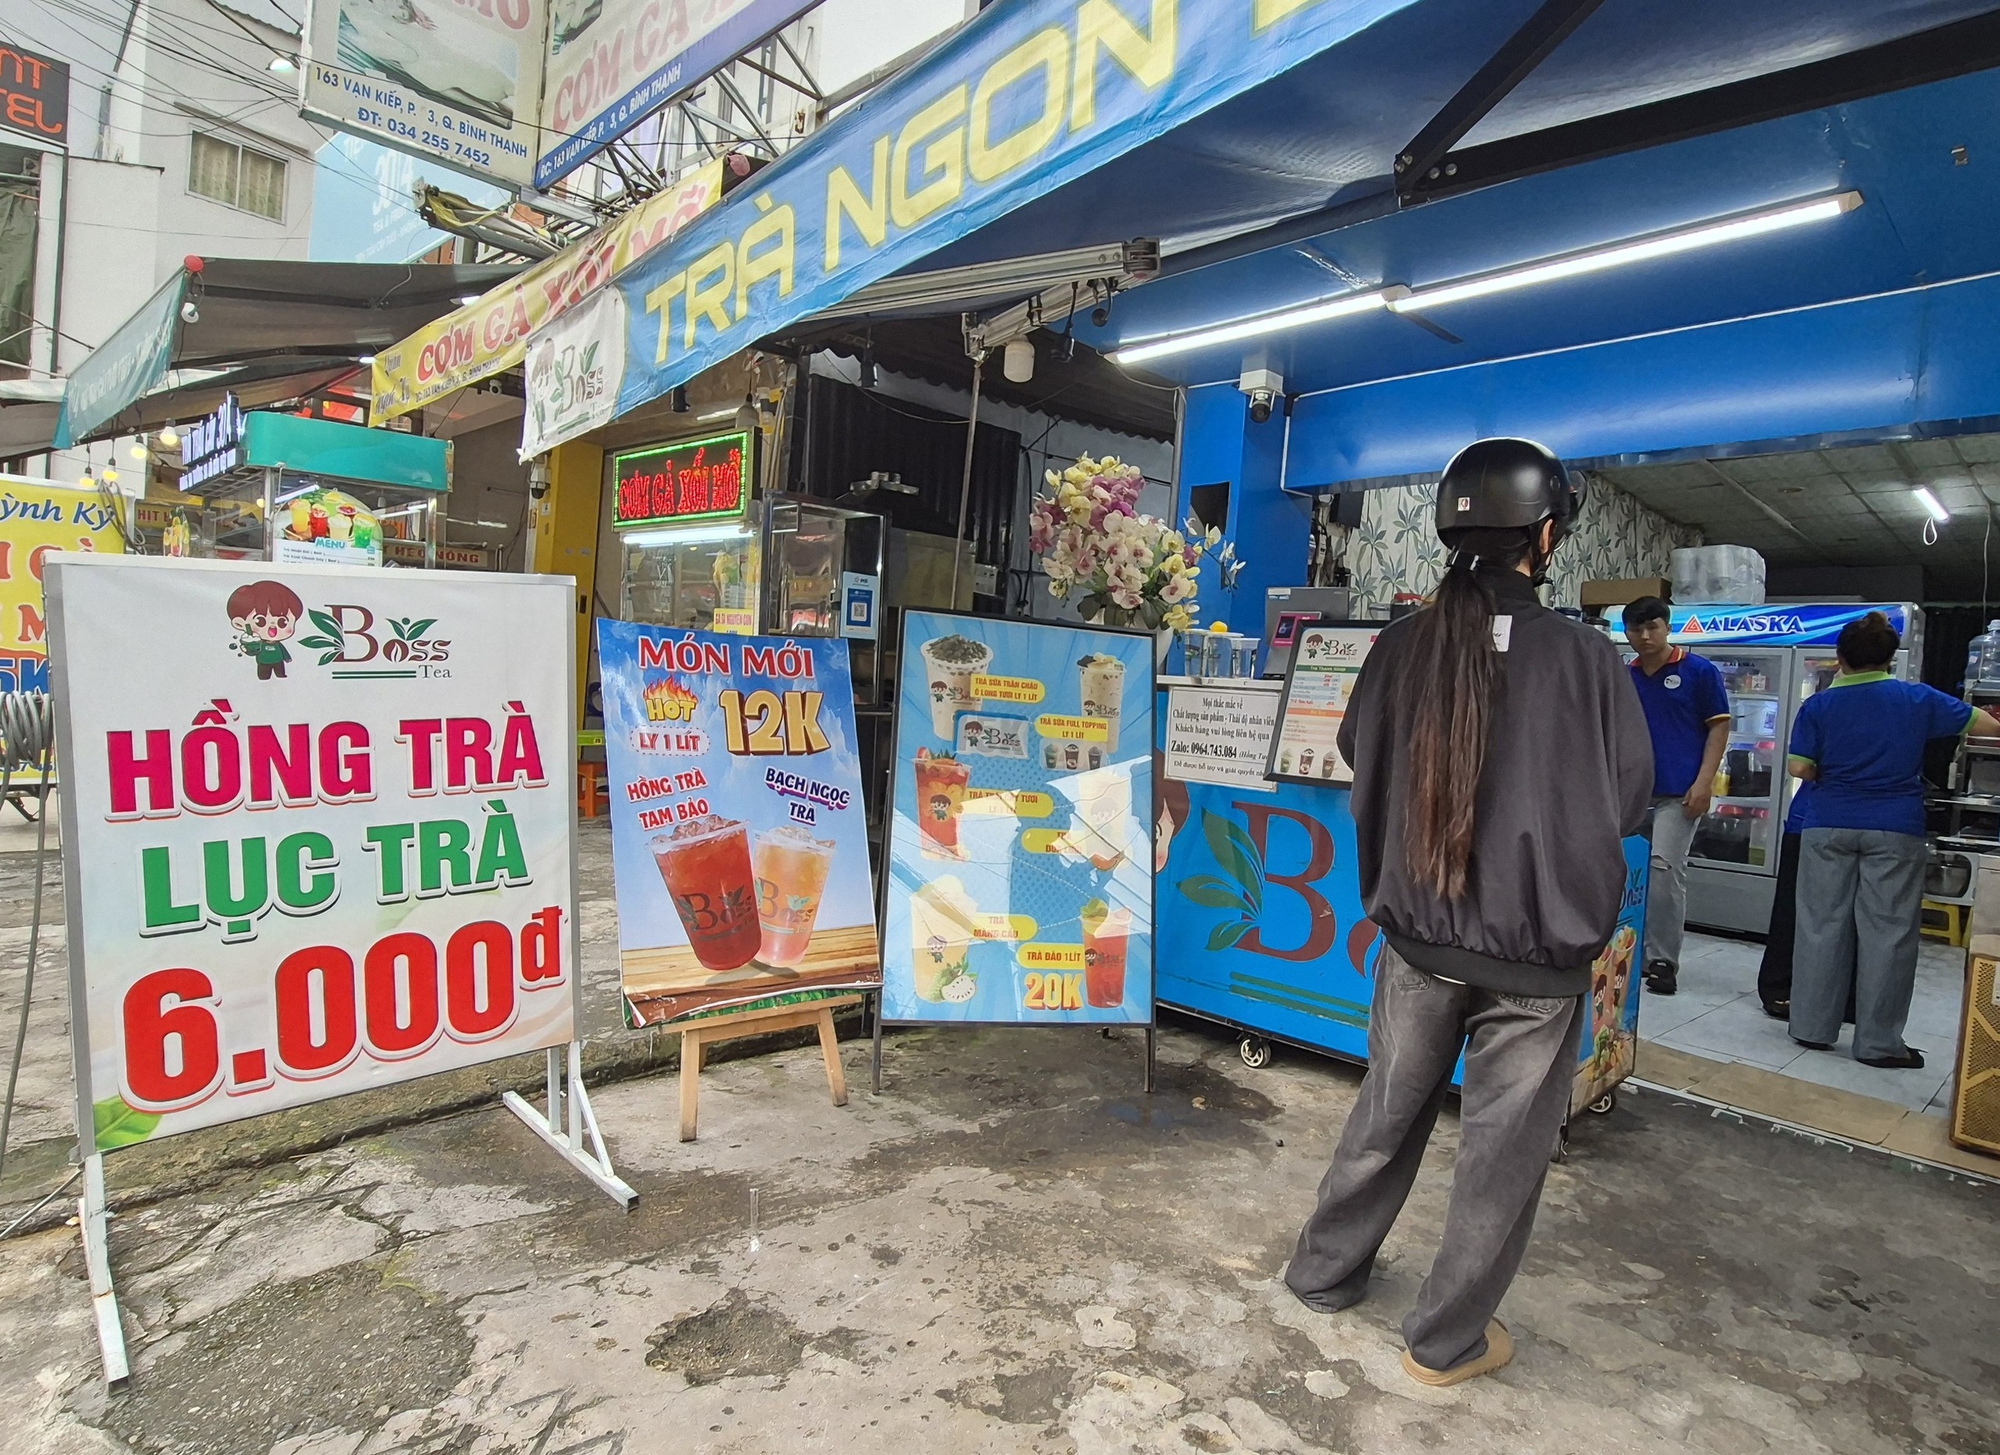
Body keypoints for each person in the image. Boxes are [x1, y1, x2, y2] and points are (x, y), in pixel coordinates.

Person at [1285, 438, 1653, 1387]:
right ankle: (1444, 1343)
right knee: (1499, 1157)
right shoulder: (1585, 656)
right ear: (1547, 534)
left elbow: (1359, 750)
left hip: (1418, 942)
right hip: (1535, 962)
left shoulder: (1402, 643)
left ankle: (1324, 1273)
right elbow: (1625, 802)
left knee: (1384, 1114)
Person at [1787, 612, 2000, 1066]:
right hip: (1895, 825)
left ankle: (1811, 1027)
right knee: (1888, 934)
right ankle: (1879, 1044)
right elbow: (1986, 724)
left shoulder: (1818, 706)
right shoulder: (1916, 699)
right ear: (1889, 659)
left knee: (1821, 927)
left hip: (1827, 822)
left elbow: (1798, 768)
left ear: (1840, 659)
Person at [1621, 596, 1730, 997]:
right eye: (1636, 629)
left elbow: (1718, 729)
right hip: (1629, 792)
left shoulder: (1698, 671)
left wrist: (1705, 782)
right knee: (1624, 872)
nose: (1645, 636)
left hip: (1679, 793)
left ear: (1667, 626)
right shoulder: (1624, 676)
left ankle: (1662, 960)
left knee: (1664, 871)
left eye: (1653, 627)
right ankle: (1623, 951)